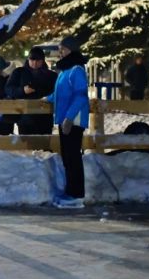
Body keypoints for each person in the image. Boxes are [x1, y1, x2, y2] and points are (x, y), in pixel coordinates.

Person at [46, 36, 89, 209]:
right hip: (64, 119)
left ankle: (77, 194)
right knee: (67, 157)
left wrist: (70, 117)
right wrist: (46, 99)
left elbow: (80, 96)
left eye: (62, 49)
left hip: (73, 121)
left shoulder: (76, 70)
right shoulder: (65, 71)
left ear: (71, 50)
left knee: (73, 157)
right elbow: (59, 94)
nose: (60, 52)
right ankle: (70, 191)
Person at [5, 47, 58, 135]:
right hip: (25, 119)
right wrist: (22, 90)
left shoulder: (51, 75)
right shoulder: (18, 72)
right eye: (32, 60)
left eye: (38, 60)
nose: (35, 63)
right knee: (27, 147)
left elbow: (56, 92)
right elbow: (8, 89)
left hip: (44, 119)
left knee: (45, 146)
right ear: (28, 59)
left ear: (43, 61)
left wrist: (46, 96)